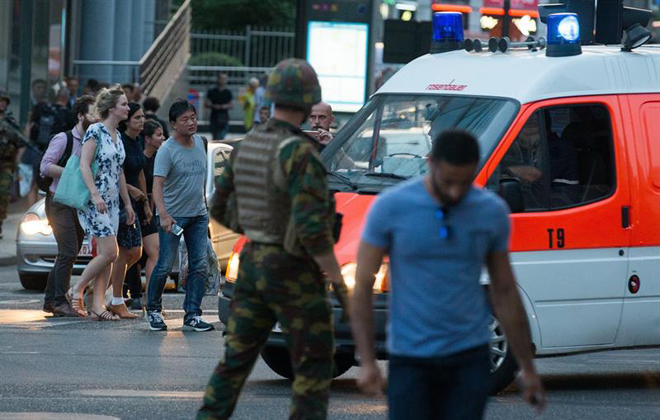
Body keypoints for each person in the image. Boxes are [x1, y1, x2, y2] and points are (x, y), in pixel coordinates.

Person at [350, 130, 546, 419]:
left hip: (469, 358)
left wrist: (527, 368)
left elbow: (504, 290)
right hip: (410, 358)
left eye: (465, 183)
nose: (456, 192)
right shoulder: (392, 207)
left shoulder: (490, 212)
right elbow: (363, 284)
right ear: (431, 163)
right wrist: (367, 361)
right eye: (448, 182)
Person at [198, 58, 349, 420]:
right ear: (309, 98)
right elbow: (313, 231)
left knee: (234, 362)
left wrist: (257, 230)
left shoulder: (247, 145)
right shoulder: (300, 152)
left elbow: (218, 206)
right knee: (313, 367)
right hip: (294, 269)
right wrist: (340, 283)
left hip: (252, 264)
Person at [68, 85, 135, 321]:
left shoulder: (118, 136)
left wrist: (127, 203)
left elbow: (119, 172)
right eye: (124, 104)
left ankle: (97, 305)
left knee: (110, 255)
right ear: (111, 108)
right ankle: (76, 289)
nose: (128, 108)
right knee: (110, 251)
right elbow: (84, 165)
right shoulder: (95, 131)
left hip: (112, 202)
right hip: (94, 200)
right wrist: (95, 195)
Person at [145, 100, 213, 332]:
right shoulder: (166, 150)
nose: (191, 122)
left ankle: (192, 314)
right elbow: (157, 185)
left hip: (198, 215)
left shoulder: (202, 143)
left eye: (193, 117)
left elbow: (201, 182)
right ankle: (153, 310)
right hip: (172, 217)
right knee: (164, 265)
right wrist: (162, 214)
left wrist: (204, 208)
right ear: (173, 124)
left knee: (199, 265)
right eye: (184, 119)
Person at [40, 95, 96, 317]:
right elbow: (45, 166)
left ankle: (50, 300)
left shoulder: (93, 140)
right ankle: (60, 301)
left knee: (68, 253)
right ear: (81, 116)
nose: (96, 118)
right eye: (92, 113)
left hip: (78, 203)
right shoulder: (64, 139)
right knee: (69, 251)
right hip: (59, 201)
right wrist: (73, 174)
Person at [106, 102, 149, 319]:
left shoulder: (136, 141)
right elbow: (116, 173)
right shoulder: (119, 140)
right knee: (124, 251)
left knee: (135, 252)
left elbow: (140, 171)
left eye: (143, 117)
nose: (142, 121)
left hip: (134, 202)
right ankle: (116, 299)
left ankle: (101, 288)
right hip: (120, 201)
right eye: (137, 118)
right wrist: (130, 192)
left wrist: (146, 204)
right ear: (127, 121)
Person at [123, 119, 164, 310]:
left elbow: (155, 186)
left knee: (154, 251)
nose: (163, 138)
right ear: (147, 139)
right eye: (158, 135)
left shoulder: (158, 158)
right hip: (131, 203)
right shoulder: (135, 153)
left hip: (147, 207)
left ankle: (151, 297)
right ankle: (134, 293)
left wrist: (152, 208)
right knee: (132, 252)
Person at [0, 92, 21, 239]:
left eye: (4, 101)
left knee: (3, 194)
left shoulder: (10, 120)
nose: (2, 104)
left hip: (6, 162)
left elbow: (19, 140)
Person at [205, 73, 232, 140]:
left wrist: (224, 106)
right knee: (215, 137)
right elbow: (206, 103)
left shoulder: (228, 92)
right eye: (222, 79)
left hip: (224, 118)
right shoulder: (212, 91)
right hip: (214, 117)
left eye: (225, 79)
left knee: (221, 137)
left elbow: (231, 105)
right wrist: (213, 106)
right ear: (218, 79)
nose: (223, 81)